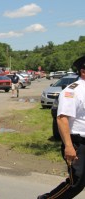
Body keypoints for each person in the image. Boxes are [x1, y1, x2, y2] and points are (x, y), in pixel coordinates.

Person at [37, 55, 85, 199]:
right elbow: (62, 119)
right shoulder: (72, 91)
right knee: (76, 182)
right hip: (78, 143)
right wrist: (68, 146)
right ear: (83, 71)